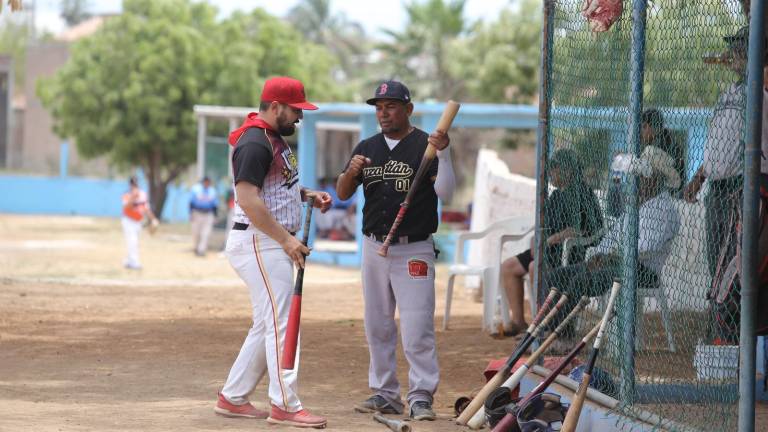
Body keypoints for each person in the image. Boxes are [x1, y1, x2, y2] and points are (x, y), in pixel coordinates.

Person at [214, 76, 332, 429]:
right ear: (275, 106)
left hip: (264, 240)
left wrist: (306, 193)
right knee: (282, 324)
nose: (299, 117)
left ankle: (233, 397)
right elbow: (248, 199)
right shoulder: (255, 142)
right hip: (259, 241)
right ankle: (285, 405)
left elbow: (274, 188)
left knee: (267, 323)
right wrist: (286, 240)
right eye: (295, 110)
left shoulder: (272, 139)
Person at [336, 80, 456, 421]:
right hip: (374, 246)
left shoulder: (427, 145)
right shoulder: (367, 146)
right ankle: (385, 393)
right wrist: (351, 171)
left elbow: (446, 192)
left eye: (390, 106)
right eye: (378, 106)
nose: (383, 112)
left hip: (414, 249)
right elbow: (343, 192)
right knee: (377, 324)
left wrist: (444, 153)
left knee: (417, 327)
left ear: (408, 109)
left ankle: (421, 396)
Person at [545, 146, 680, 336]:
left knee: (579, 280)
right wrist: (599, 253)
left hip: (643, 270)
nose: (637, 180)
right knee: (556, 276)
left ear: (656, 178)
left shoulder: (663, 209)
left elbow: (646, 247)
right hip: (618, 262)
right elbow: (612, 236)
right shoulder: (639, 204)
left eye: (643, 176)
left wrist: (611, 256)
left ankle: (561, 337)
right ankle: (549, 330)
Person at [498, 149, 602, 337]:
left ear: (568, 171)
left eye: (555, 169)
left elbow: (581, 230)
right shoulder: (556, 195)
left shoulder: (581, 193)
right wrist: (536, 239)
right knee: (508, 267)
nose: (551, 173)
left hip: (570, 251)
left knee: (533, 268)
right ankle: (519, 322)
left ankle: (541, 326)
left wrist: (550, 240)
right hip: (548, 247)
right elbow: (545, 225)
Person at [682, 26, 750, 281]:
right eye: (733, 48)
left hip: (740, 187)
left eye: (741, 48)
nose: (733, 53)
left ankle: (737, 319)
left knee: (736, 264)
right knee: (716, 266)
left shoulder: (759, 88)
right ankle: (719, 319)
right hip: (716, 190)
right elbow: (718, 142)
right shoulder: (729, 92)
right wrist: (699, 178)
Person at [120, 176, 158, 270]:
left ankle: (128, 261)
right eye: (133, 184)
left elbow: (146, 208)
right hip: (128, 220)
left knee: (134, 242)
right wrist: (133, 198)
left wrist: (153, 219)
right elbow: (125, 208)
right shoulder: (126, 194)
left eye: (136, 184)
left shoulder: (143, 194)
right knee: (132, 241)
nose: (134, 186)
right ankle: (134, 263)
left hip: (138, 221)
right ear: (130, 185)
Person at [189, 176, 218, 256]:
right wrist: (191, 213)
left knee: (206, 233)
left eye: (208, 182)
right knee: (196, 232)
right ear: (202, 182)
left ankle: (201, 250)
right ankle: (196, 247)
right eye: (205, 181)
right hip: (197, 212)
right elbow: (191, 203)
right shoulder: (196, 189)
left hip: (208, 214)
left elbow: (215, 205)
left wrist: (215, 216)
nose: (207, 183)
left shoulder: (212, 191)